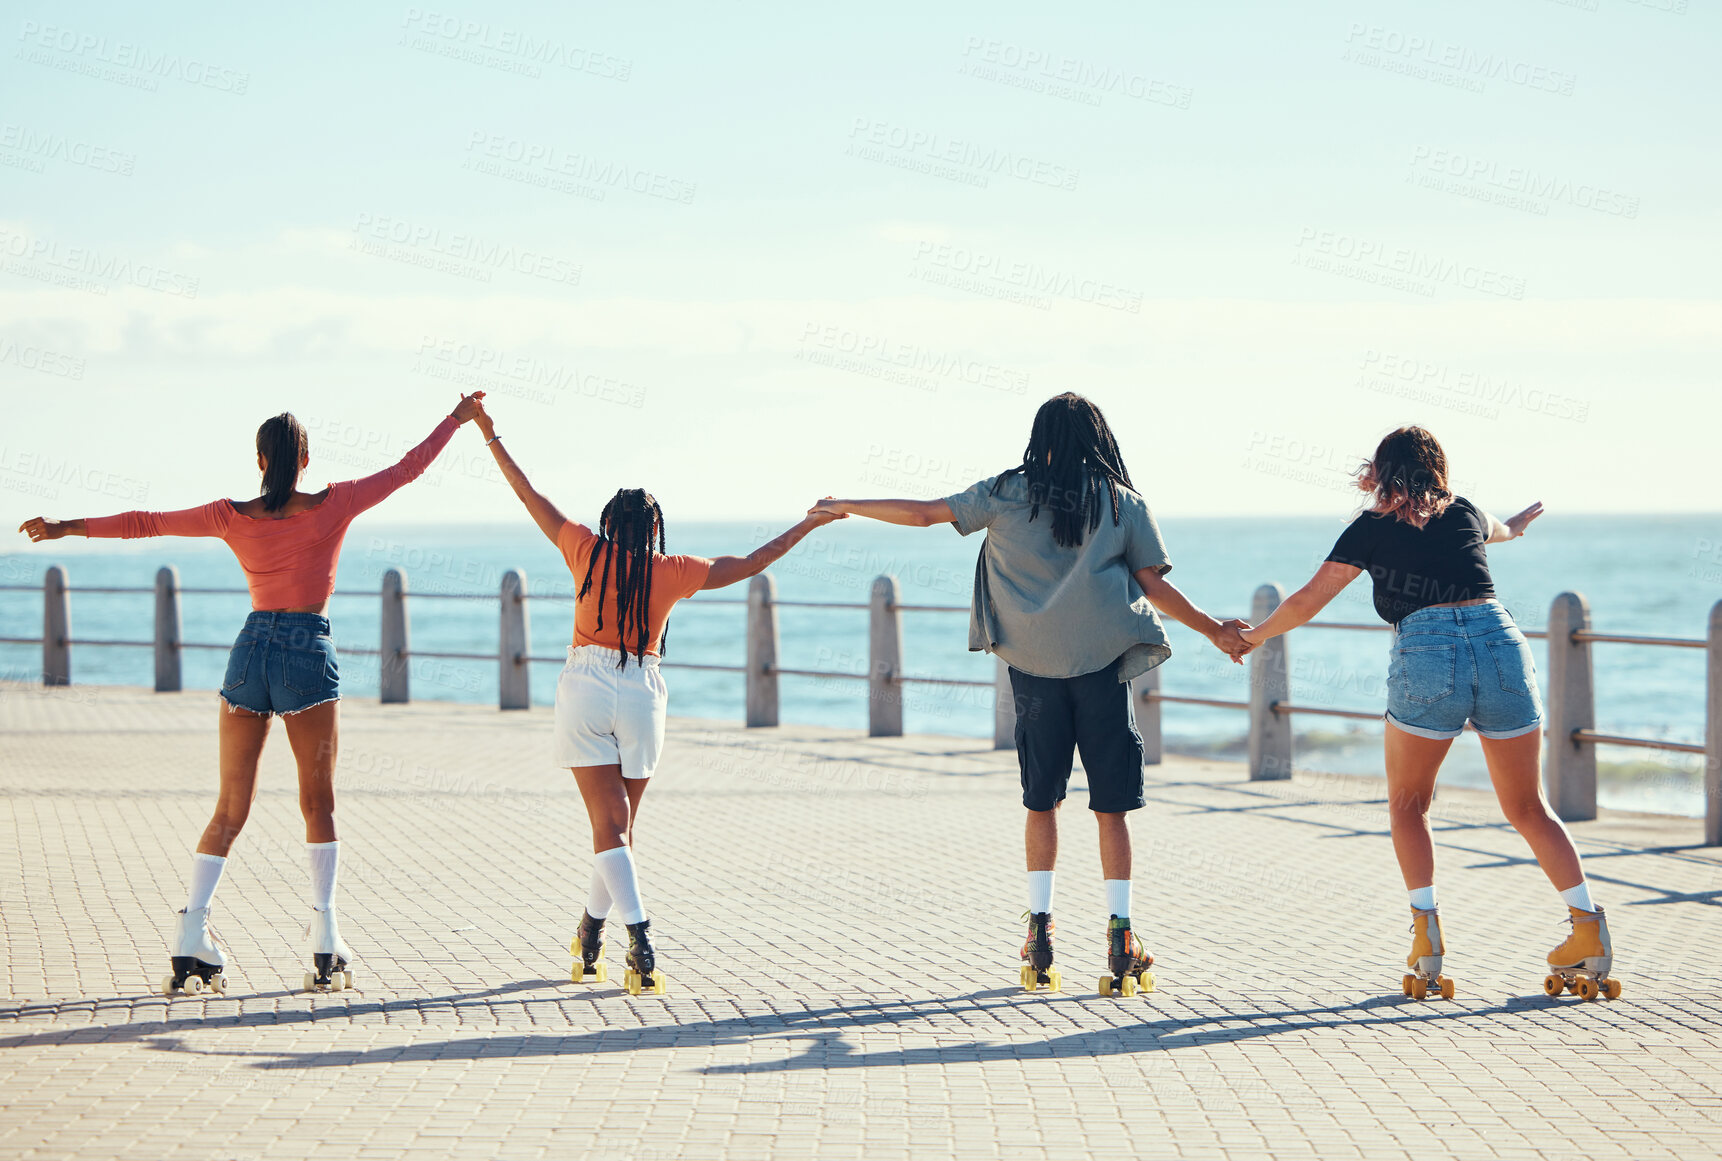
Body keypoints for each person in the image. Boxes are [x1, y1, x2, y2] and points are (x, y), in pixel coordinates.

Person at [17, 393, 487, 996]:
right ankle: (325, 940)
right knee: (317, 803)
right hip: (306, 655)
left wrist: (64, 528)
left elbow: (147, 522)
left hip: (249, 652)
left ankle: (192, 937)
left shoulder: (228, 515)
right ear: (306, 458)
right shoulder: (335, 503)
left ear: (260, 459)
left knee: (229, 808)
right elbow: (406, 470)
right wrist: (456, 419)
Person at [814, 392, 1252, 996]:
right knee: (1111, 805)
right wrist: (1218, 632)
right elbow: (1155, 587)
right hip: (1101, 668)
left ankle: (1040, 934)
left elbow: (923, 514)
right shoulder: (1123, 503)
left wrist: (847, 505)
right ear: (1100, 439)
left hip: (1032, 670)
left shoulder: (1008, 492)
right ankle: (1121, 935)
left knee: (1041, 799)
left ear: (1040, 438)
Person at [469, 398, 843, 996]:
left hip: (586, 688)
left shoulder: (584, 551)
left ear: (609, 524)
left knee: (609, 829)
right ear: (653, 530)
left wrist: (489, 434)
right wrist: (808, 524)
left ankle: (636, 938)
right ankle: (591, 933)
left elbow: (528, 491)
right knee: (618, 828)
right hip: (642, 692)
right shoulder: (672, 570)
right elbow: (750, 563)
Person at [1238, 425, 1619, 1001]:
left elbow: (1310, 599)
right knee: (1527, 805)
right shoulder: (1464, 510)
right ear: (1439, 470)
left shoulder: (1371, 527)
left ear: (1380, 472)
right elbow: (1500, 529)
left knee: (1409, 803)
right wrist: (1514, 527)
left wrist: (1255, 635)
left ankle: (1427, 940)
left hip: (1427, 649)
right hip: (1500, 640)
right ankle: (1587, 929)